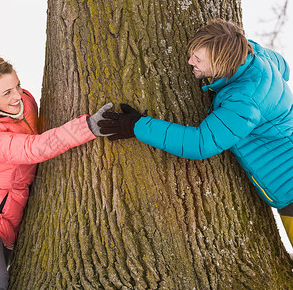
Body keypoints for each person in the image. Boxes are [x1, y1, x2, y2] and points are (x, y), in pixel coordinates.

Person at [98, 18, 293, 246]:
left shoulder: (243, 100)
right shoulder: (255, 55)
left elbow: (200, 143)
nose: (190, 61)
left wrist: (136, 126)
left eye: (198, 59)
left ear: (222, 62)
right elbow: (284, 67)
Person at [0, 57, 112, 289]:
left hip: (7, 217)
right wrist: (86, 127)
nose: (17, 95)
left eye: (17, 85)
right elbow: (33, 148)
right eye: (7, 93)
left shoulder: (23, 101)